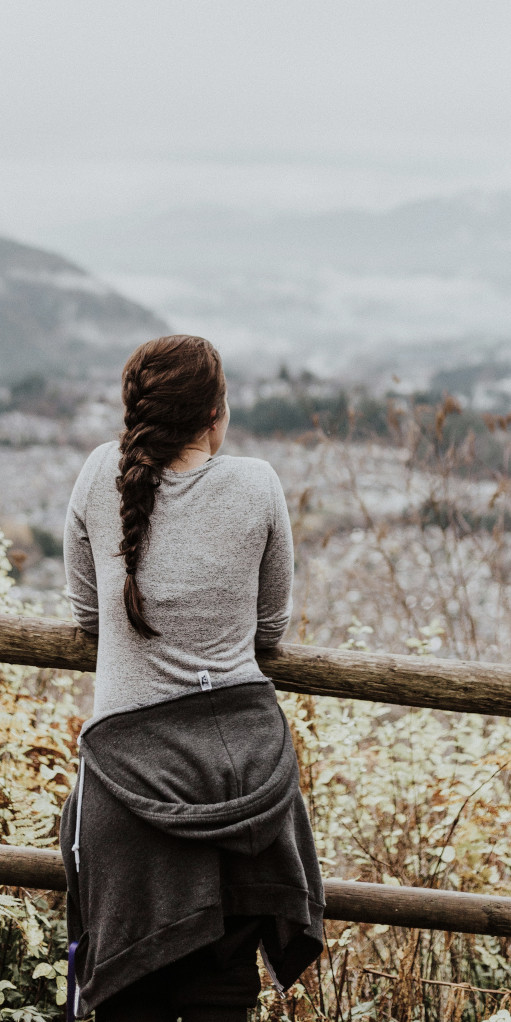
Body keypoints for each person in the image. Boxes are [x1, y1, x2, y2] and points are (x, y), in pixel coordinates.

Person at [59, 335, 325, 1022]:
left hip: (128, 783)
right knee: (224, 992)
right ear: (216, 413)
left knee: (126, 996)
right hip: (241, 779)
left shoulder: (96, 475)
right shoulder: (259, 484)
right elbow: (271, 631)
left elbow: (87, 613)